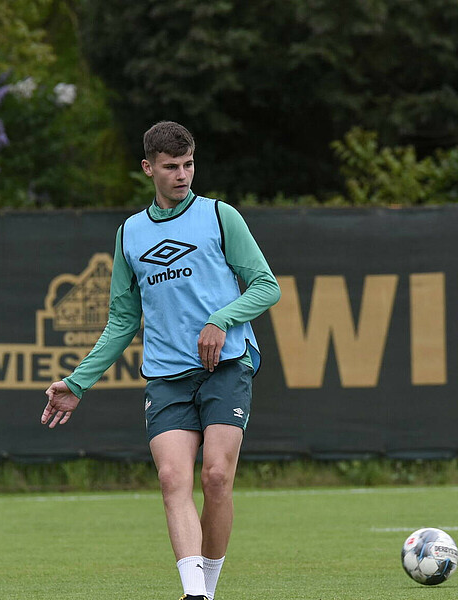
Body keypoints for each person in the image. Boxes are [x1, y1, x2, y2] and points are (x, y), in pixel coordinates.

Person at [42, 120, 280, 600]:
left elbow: (265, 286)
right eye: (171, 167)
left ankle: (206, 588)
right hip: (167, 378)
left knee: (215, 476)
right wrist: (78, 383)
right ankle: (196, 595)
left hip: (227, 366)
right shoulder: (130, 233)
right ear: (148, 168)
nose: (183, 175)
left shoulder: (219, 216)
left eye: (189, 164)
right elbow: (122, 322)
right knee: (173, 477)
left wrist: (221, 319)